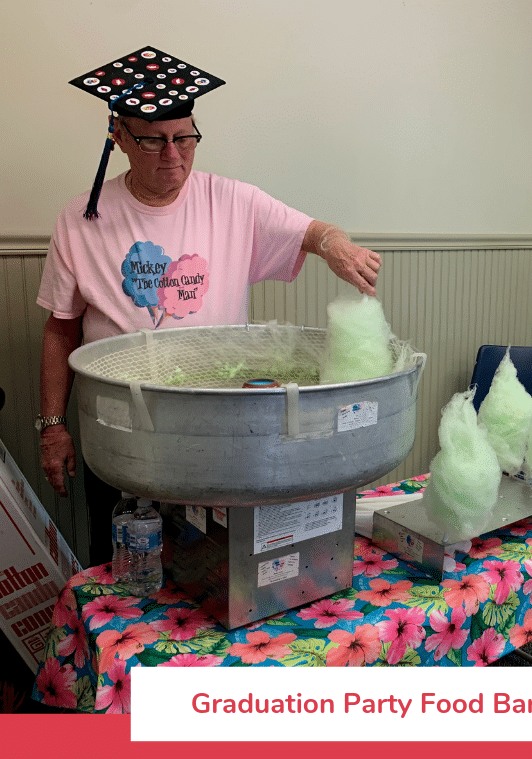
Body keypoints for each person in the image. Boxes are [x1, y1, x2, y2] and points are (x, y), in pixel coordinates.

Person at [37, 47, 382, 563]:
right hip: (123, 436)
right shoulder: (80, 219)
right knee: (126, 573)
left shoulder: (233, 202)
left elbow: (313, 230)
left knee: (216, 568)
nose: (172, 155)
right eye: (153, 141)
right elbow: (60, 330)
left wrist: (337, 246)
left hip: (219, 435)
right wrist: (52, 427)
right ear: (120, 138)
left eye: (184, 138)